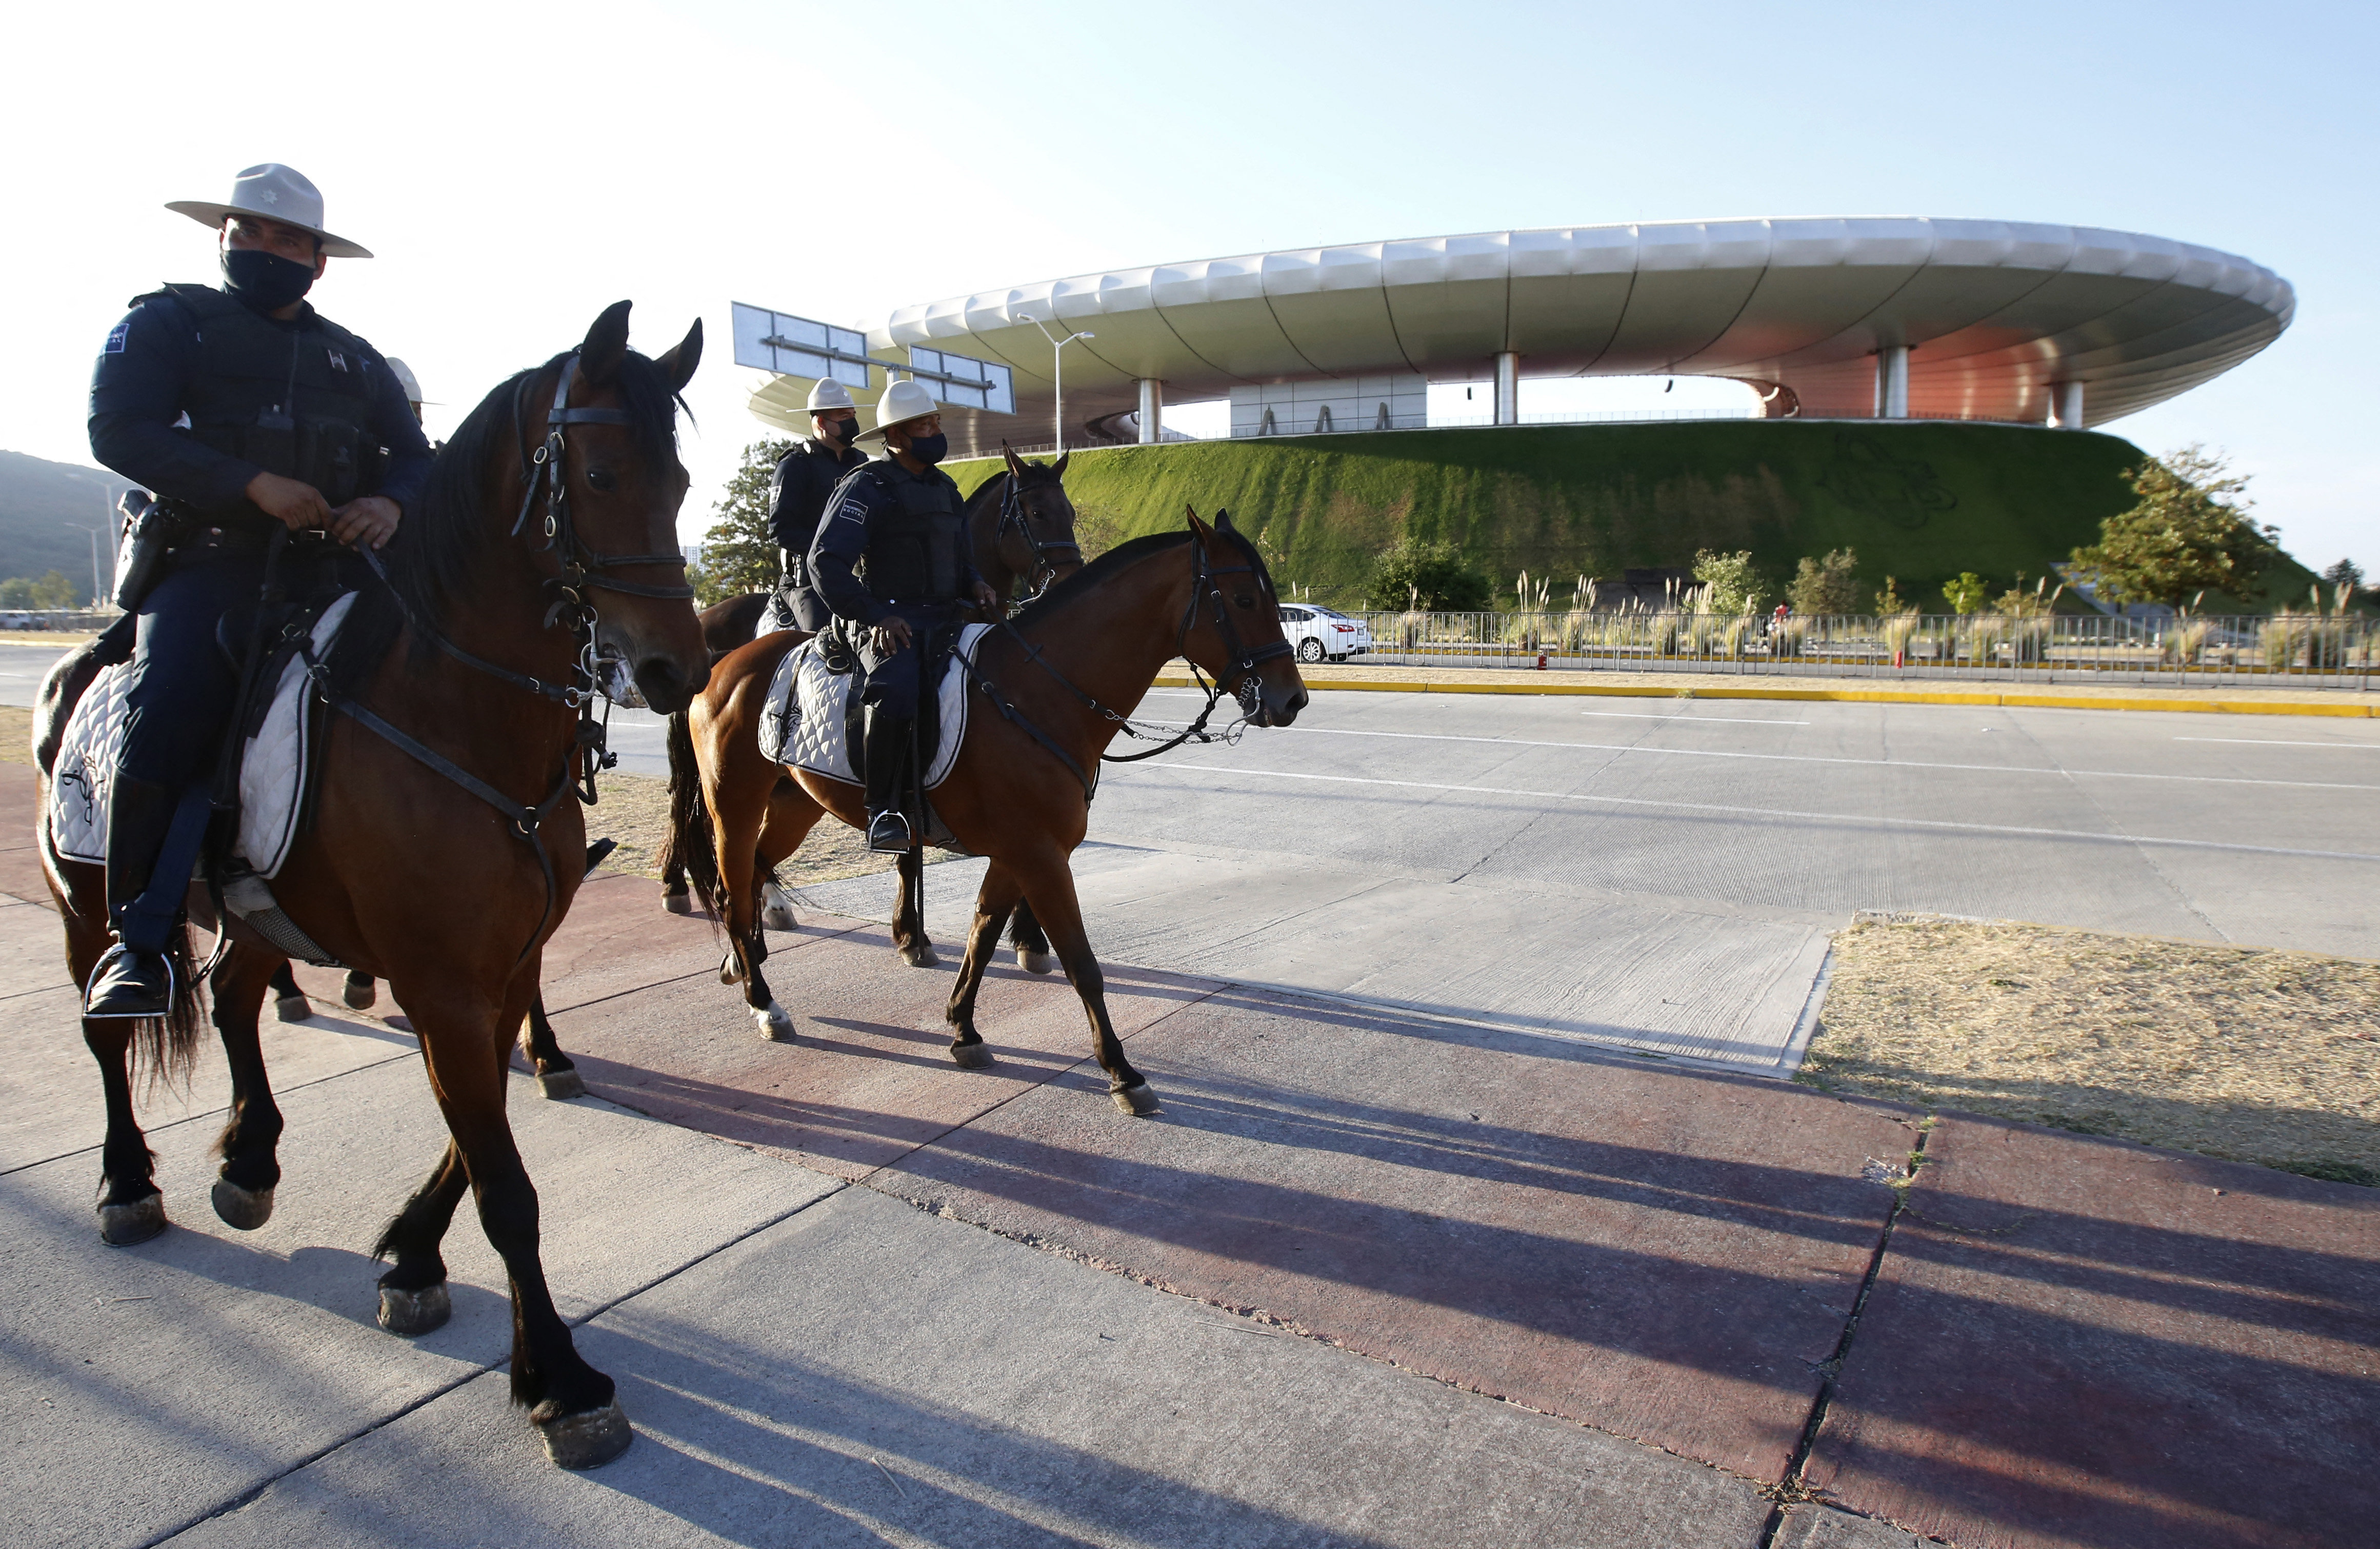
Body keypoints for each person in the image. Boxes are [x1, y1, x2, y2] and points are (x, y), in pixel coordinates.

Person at [82, 164, 431, 1017]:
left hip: (339, 570)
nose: (265, 248)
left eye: (286, 239)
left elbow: (419, 458)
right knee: (167, 706)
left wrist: (389, 502)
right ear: (225, 239)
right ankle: (142, 936)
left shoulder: (353, 358)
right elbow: (118, 427)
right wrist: (250, 485)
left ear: (318, 260)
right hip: (212, 566)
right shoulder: (169, 324)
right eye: (250, 233)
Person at [809, 377, 999, 852]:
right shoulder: (866, 486)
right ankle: (884, 809)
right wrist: (873, 616)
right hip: (883, 619)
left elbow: (962, 559)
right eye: (923, 424)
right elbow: (825, 562)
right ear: (894, 435)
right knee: (896, 691)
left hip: (944, 616)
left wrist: (975, 582)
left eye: (936, 421)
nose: (935, 430)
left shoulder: (946, 488)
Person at [760, 378, 868, 634]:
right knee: (817, 638)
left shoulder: (861, 463)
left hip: (857, 578)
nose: (852, 422)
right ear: (821, 422)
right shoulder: (795, 465)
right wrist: (831, 550)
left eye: (852, 415)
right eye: (844, 417)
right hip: (807, 582)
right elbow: (781, 530)